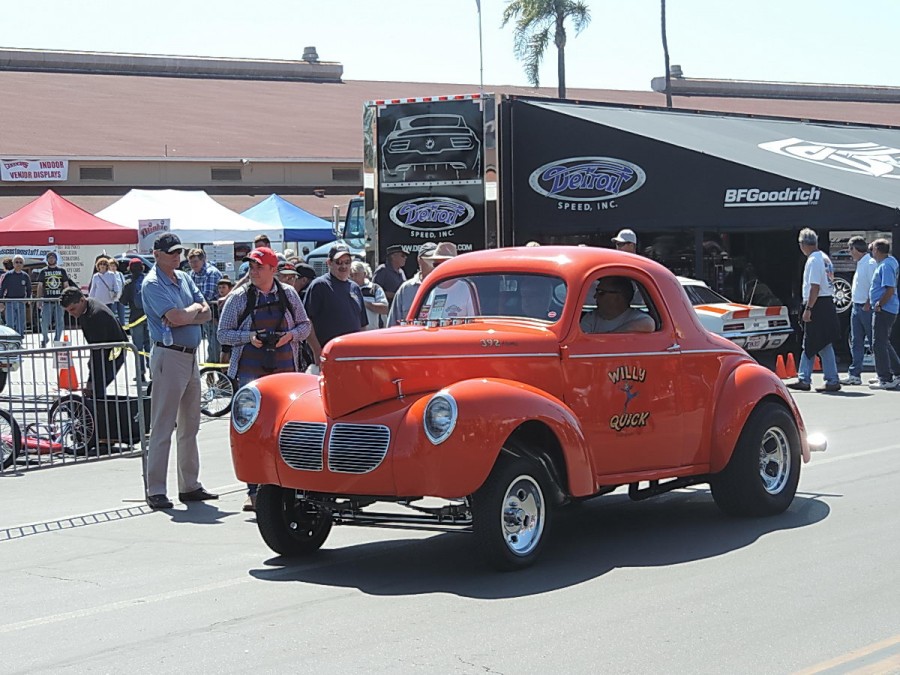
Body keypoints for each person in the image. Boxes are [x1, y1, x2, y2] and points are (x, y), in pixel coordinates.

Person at [217, 246, 311, 511]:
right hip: (250, 374)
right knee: (251, 431)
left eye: (259, 266)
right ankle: (253, 490)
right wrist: (250, 338)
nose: (253, 271)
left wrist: (289, 336)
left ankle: (288, 484)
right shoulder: (238, 298)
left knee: (286, 428)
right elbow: (222, 335)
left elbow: (305, 327)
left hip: (285, 373)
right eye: (251, 266)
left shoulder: (289, 294)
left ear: (273, 269)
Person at [141, 232, 217, 510]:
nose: (177, 256)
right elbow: (175, 317)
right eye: (171, 252)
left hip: (189, 357)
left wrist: (191, 311)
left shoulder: (183, 278)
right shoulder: (152, 283)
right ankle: (156, 489)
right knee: (163, 425)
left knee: (190, 425)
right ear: (156, 254)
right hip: (169, 357)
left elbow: (206, 312)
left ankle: (189, 485)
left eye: (179, 252)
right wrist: (193, 311)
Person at [787, 228, 841, 393]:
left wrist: (809, 308)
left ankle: (813, 378)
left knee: (814, 341)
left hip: (817, 304)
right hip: (825, 303)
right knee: (820, 342)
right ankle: (815, 377)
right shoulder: (824, 258)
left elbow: (814, 287)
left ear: (803, 244)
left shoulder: (813, 260)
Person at [303, 244, 367, 366]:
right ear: (329, 263)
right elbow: (307, 322)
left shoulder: (355, 288)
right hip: (329, 357)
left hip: (353, 357)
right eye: (339, 262)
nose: (343, 266)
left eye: (347, 262)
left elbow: (362, 324)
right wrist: (317, 351)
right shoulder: (319, 285)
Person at [60, 287, 128, 396]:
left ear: (82, 300)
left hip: (114, 351)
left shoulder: (96, 315)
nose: (71, 314)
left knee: (98, 386)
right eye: (68, 311)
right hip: (102, 348)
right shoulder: (84, 309)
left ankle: (99, 408)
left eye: (72, 309)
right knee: (94, 383)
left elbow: (99, 354)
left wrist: (91, 382)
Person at [841, 236, 877, 385]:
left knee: (875, 341)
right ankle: (854, 374)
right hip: (856, 306)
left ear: (856, 249)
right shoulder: (861, 263)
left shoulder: (870, 263)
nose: (850, 253)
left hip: (866, 307)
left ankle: (882, 372)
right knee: (856, 341)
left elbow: (874, 286)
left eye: (850, 249)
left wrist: (869, 302)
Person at [868, 238, 900, 390]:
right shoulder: (889, 261)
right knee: (884, 341)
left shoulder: (886, 266)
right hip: (888, 308)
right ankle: (896, 371)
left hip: (885, 308)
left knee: (878, 343)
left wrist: (879, 303)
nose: (871, 252)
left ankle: (885, 378)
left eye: (872, 249)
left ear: (877, 251)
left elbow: (890, 289)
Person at [387, 242, 441, 327]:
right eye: (429, 259)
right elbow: (393, 323)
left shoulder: (446, 286)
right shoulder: (406, 289)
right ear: (419, 260)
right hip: (410, 338)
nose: (433, 263)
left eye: (436, 260)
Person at [580, 276, 655, 333]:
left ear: (619, 297)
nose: (595, 296)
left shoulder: (638, 318)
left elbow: (649, 324)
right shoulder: (591, 318)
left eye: (601, 292)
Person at [187, 248, 223, 363]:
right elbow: (188, 294)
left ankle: (212, 368)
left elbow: (207, 296)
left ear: (203, 260)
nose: (193, 265)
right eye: (191, 262)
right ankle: (211, 369)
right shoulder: (191, 274)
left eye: (196, 262)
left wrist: (193, 304)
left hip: (216, 315)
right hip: (201, 314)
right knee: (210, 343)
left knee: (216, 344)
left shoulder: (212, 273)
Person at [120, 258, 149, 382]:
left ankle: (140, 373)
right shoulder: (149, 280)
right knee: (150, 346)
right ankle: (153, 371)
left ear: (130, 268)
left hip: (134, 318)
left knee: (138, 347)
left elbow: (123, 301)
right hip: (150, 317)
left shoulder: (128, 283)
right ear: (142, 267)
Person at [35, 252, 73, 347]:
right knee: (44, 322)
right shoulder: (43, 271)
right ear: (47, 260)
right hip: (47, 301)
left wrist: (67, 299)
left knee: (60, 321)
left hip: (59, 301)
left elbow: (66, 285)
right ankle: (45, 338)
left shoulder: (62, 271)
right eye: (49, 258)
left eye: (53, 258)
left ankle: (57, 340)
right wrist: (39, 300)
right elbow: (40, 286)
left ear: (56, 259)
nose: (51, 259)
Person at [350, 261, 389, 329]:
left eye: (356, 274)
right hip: (354, 332)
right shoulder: (347, 289)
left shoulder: (374, 289)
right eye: (351, 275)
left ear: (364, 274)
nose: (353, 278)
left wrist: (364, 303)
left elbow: (384, 309)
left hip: (373, 333)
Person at [0, 255, 31, 336]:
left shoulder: (25, 276)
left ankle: (19, 338)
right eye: (16, 262)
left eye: (20, 262)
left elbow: (29, 288)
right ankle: (11, 340)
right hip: (9, 302)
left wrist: (27, 299)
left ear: (23, 264)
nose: (18, 264)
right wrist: (1, 301)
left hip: (21, 302)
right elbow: (2, 288)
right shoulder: (8, 275)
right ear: (13, 263)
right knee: (10, 322)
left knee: (21, 322)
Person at [212, 277, 234, 363]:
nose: (221, 290)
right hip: (223, 332)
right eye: (219, 288)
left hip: (233, 331)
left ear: (230, 288)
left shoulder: (234, 300)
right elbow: (214, 317)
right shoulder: (216, 302)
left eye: (224, 287)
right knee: (224, 352)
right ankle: (223, 374)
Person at [108, 259, 127, 325]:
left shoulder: (120, 274)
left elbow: (123, 284)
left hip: (120, 299)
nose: (113, 267)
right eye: (111, 266)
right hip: (112, 299)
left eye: (114, 266)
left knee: (122, 317)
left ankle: (123, 331)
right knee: (111, 316)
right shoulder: (108, 275)